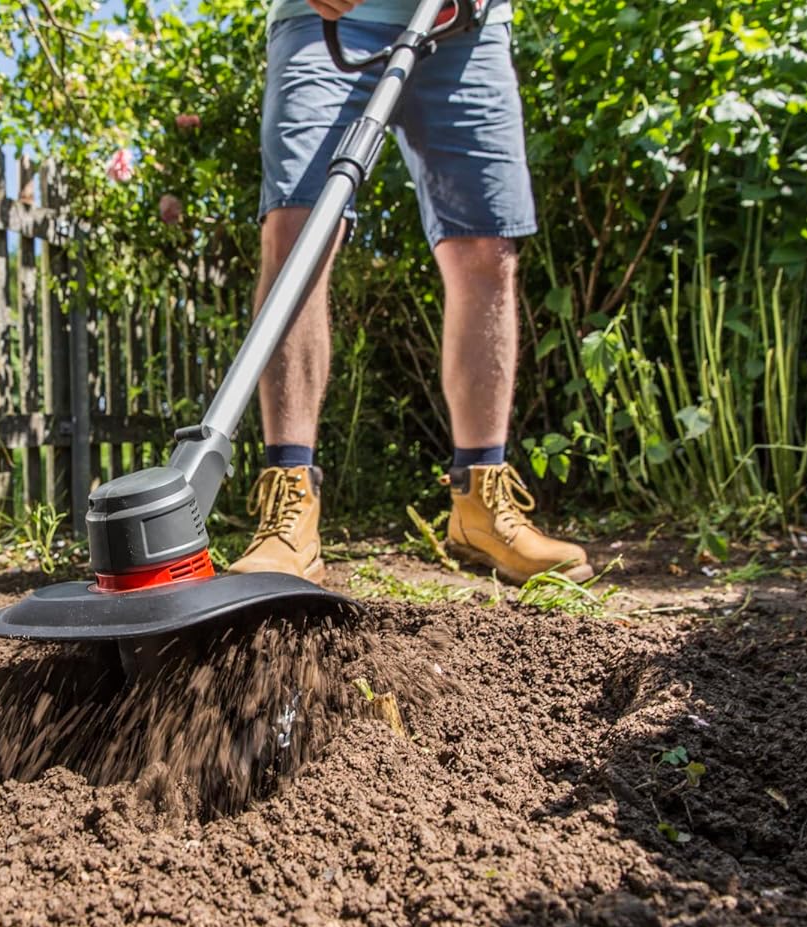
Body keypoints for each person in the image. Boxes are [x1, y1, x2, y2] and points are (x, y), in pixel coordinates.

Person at [227, 0, 592, 586]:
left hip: (467, 27)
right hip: (330, 19)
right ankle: (290, 502)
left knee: (487, 248)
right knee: (299, 228)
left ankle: (480, 502)